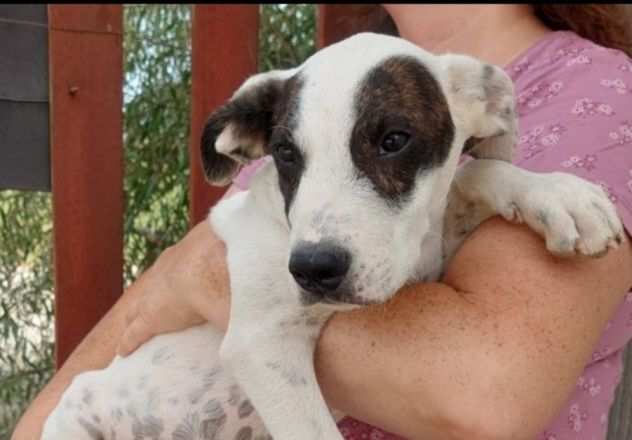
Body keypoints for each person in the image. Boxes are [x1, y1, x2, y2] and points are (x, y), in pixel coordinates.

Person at [13, 4, 632, 440]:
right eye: (290, 156)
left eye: (391, 140)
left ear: (488, 112)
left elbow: (483, 395)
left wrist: (199, 275)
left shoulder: (593, 93)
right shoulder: (313, 96)